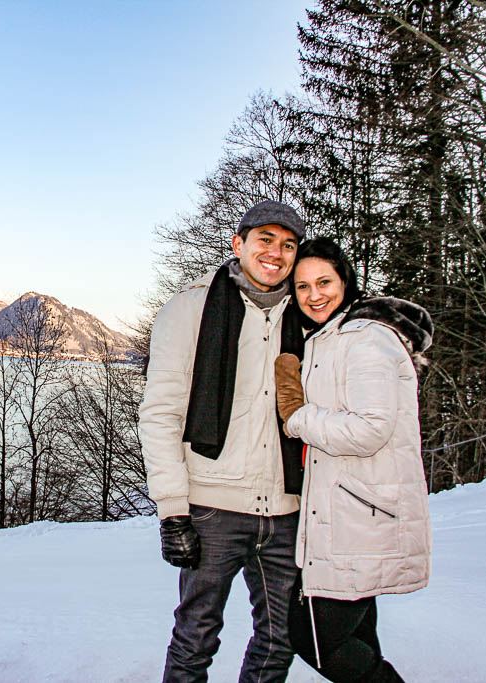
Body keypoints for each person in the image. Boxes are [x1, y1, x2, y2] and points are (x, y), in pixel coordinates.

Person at [140, 200, 309, 682]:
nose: (276, 253)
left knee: (280, 639)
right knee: (196, 636)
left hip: (287, 508)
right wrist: (173, 508)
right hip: (213, 507)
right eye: (265, 240)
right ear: (239, 244)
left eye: (288, 245)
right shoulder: (191, 307)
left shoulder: (308, 314)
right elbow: (161, 413)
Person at [273, 237, 433, 683]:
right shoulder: (329, 337)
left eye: (324, 282)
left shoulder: (366, 338)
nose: (314, 295)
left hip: (358, 515)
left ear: (346, 280)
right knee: (359, 639)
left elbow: (368, 430)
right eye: (302, 287)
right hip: (351, 513)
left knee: (316, 641)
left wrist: (298, 417)